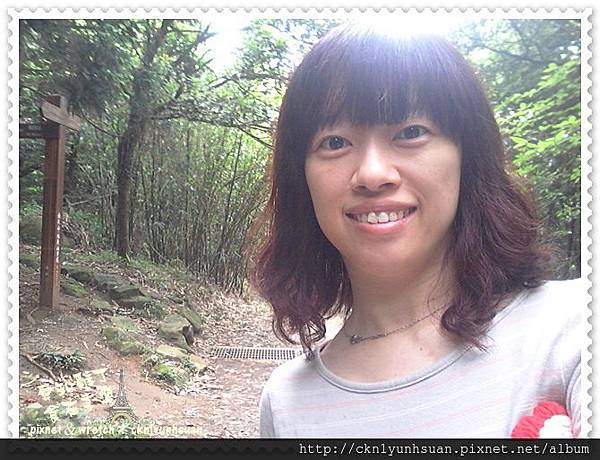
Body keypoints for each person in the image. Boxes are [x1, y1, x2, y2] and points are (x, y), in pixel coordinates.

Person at [250, 22, 582, 438]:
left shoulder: (572, 327)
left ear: (466, 157)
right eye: (334, 142)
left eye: (410, 133)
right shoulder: (287, 403)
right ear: (302, 180)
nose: (372, 174)